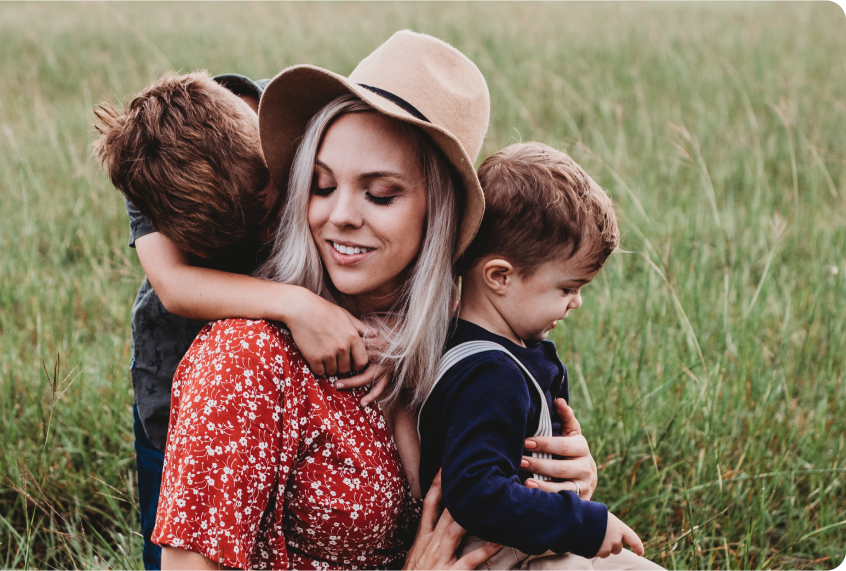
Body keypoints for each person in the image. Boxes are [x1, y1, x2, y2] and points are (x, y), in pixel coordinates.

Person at [151, 30, 508, 570]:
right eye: (320, 186)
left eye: (379, 194)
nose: (339, 215)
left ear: (440, 213)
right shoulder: (245, 358)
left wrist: (568, 479)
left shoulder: (457, 350)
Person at [93, 71, 383, 571]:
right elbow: (174, 283)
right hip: (176, 365)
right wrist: (296, 305)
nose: (270, 233)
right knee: (175, 529)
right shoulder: (151, 161)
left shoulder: (290, 119)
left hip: (291, 371)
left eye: (269, 212)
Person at [418, 143, 665, 570]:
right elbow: (475, 490)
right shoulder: (489, 375)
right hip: (498, 553)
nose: (576, 303)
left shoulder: (500, 351)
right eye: (567, 289)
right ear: (500, 277)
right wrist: (582, 524)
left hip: (533, 535)